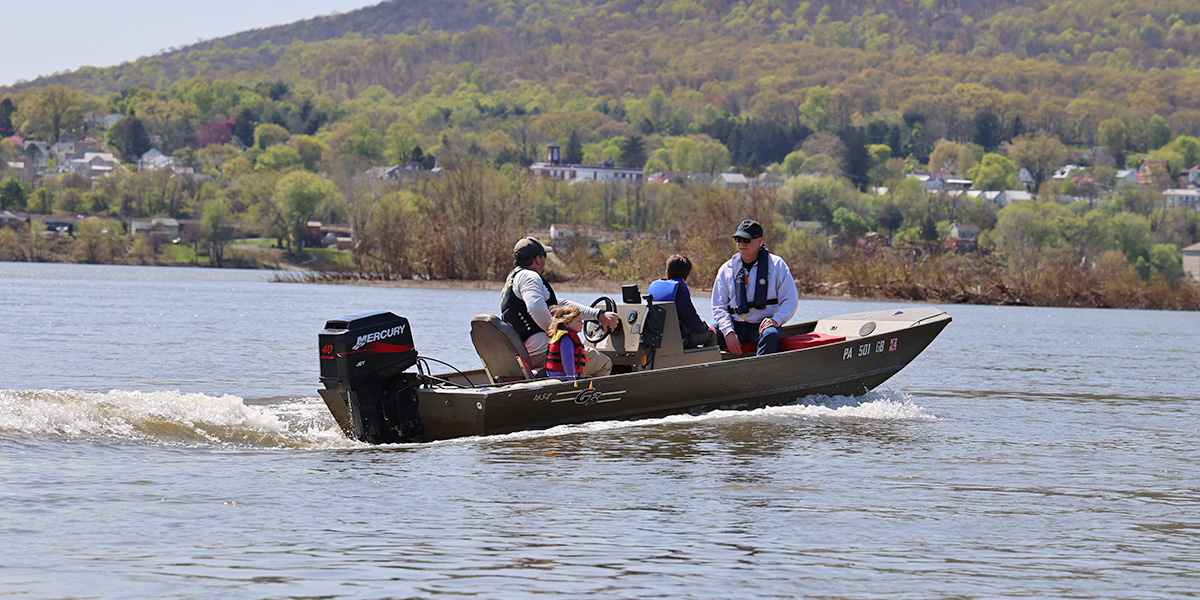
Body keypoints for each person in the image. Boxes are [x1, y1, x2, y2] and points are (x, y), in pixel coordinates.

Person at [500, 236, 618, 378]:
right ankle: (579, 398)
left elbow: (559, 305)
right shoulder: (529, 277)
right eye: (545, 256)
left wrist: (597, 315)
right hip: (541, 351)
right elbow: (536, 307)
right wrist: (557, 333)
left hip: (524, 350)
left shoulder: (514, 277)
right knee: (604, 363)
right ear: (538, 259)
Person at [711, 219, 798, 356]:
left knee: (770, 335)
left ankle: (760, 371)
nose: (741, 244)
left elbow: (790, 299)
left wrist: (776, 320)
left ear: (760, 241)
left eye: (747, 240)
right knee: (710, 334)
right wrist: (728, 331)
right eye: (738, 239)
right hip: (735, 325)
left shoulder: (777, 265)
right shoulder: (726, 269)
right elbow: (718, 306)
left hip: (761, 326)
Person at [645, 254, 720, 348]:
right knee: (711, 336)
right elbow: (691, 319)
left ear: (666, 273)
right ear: (686, 277)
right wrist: (705, 328)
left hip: (656, 338)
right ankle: (709, 361)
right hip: (678, 339)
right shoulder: (679, 290)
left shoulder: (654, 288)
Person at [545, 305, 587, 381]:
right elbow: (567, 360)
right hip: (563, 378)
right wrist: (572, 380)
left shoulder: (561, 335)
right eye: (579, 321)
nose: (582, 323)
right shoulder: (566, 338)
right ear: (566, 323)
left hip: (557, 376)